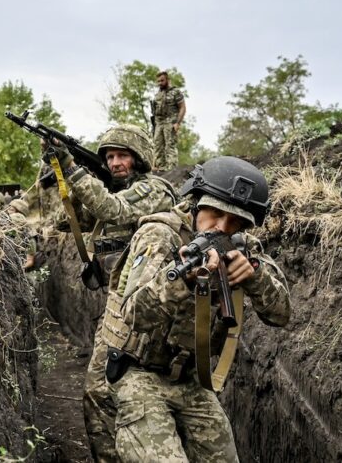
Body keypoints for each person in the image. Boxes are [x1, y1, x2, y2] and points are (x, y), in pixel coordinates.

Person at [100, 156, 291, 462]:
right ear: (197, 204)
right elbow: (134, 313)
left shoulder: (243, 246)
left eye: (235, 222)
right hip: (140, 374)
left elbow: (281, 314)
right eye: (215, 214)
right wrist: (183, 282)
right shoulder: (160, 235)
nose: (222, 228)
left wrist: (255, 278)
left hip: (192, 379)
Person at [41, 125, 177, 462]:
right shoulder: (111, 190)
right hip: (121, 303)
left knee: (113, 390)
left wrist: (72, 167)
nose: (115, 162)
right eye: (109, 157)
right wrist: (66, 174)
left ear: (139, 158)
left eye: (122, 156)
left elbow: (113, 210)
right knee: (99, 392)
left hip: (154, 307)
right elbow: (67, 220)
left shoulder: (155, 190)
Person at [151, 71, 186, 172]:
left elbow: (182, 108)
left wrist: (178, 123)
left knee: (170, 146)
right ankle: (161, 170)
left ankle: (172, 170)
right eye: (158, 81)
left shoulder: (176, 92)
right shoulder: (158, 94)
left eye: (162, 80)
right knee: (157, 146)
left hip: (170, 122)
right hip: (159, 123)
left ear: (167, 80)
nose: (160, 83)